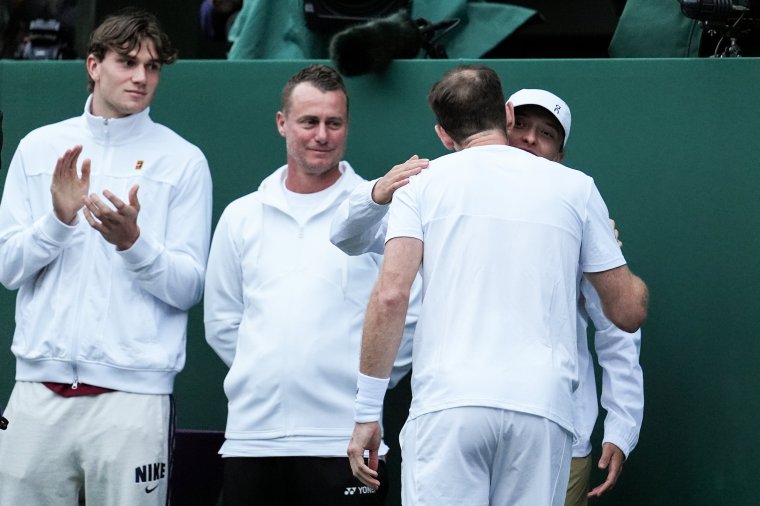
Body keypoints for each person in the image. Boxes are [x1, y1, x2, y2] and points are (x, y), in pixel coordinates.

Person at [346, 64, 648, 505]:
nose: (528, 136)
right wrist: (610, 256)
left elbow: (391, 295)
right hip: (541, 412)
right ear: (507, 116)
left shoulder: (421, 185)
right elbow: (628, 312)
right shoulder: (577, 189)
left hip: (449, 405)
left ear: (443, 135)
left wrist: (366, 411)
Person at [0, 9, 212, 505]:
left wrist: (132, 243)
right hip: (35, 393)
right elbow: (8, 268)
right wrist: (57, 220)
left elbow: (188, 287)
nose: (141, 77)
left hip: (134, 403)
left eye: (153, 66)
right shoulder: (39, 148)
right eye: (127, 62)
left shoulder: (183, 160)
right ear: (93, 65)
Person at [203, 63, 417, 506]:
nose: (321, 135)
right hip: (253, 440)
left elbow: (411, 314)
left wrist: (364, 391)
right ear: (283, 123)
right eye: (309, 122)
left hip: (348, 441)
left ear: (346, 127)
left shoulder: (383, 212)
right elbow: (223, 322)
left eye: (333, 123)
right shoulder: (242, 215)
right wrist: (265, 371)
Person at [508, 88, 644, 506]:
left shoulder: (580, 210)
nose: (531, 138)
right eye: (522, 126)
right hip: (470, 423)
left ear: (559, 156)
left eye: (546, 133)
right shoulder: (450, 197)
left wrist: (622, 425)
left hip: (562, 433)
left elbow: (618, 330)